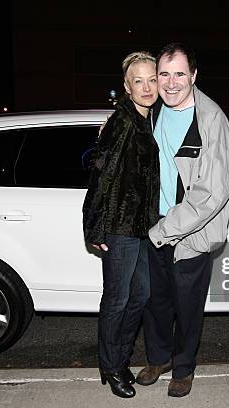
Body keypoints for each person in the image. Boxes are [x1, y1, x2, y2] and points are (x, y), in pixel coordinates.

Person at [136, 43, 229, 397]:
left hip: (188, 235)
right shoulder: (153, 113)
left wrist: (163, 230)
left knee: (188, 308)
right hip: (155, 228)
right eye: (164, 73)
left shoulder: (212, 121)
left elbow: (211, 192)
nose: (171, 82)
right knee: (155, 303)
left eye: (179, 73)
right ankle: (159, 358)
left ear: (193, 75)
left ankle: (183, 368)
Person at [82, 51, 160, 398]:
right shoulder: (123, 121)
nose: (146, 87)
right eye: (138, 81)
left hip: (141, 227)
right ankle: (111, 368)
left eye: (152, 79)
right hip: (118, 225)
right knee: (116, 299)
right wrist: (95, 227)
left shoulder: (147, 119)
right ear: (127, 88)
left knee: (140, 294)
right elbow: (101, 175)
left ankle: (121, 358)